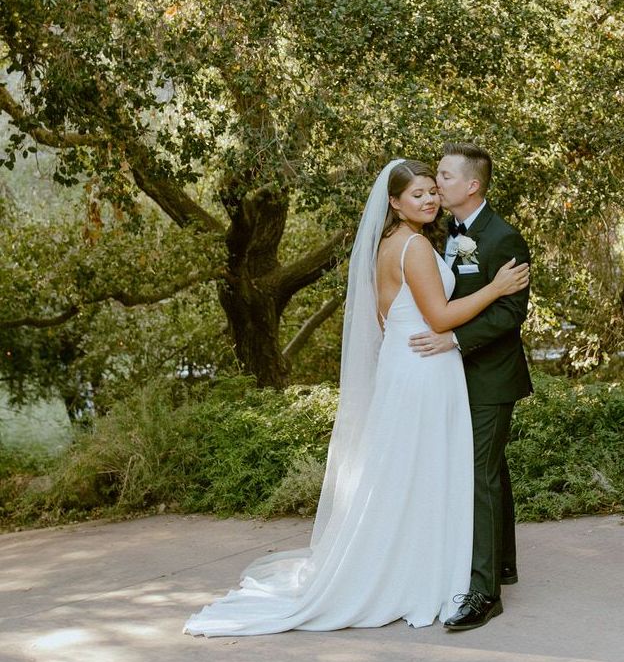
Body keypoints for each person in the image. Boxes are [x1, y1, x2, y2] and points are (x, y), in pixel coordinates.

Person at [183, 158, 528, 636]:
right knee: (424, 471)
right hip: (426, 365)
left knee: (414, 472)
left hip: (410, 363)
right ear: (393, 202)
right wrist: (494, 288)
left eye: (435, 188)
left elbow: (392, 315)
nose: (431, 198)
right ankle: (426, 574)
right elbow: (441, 318)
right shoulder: (415, 247)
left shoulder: (397, 242)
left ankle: (458, 567)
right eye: (420, 193)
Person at [409, 143, 532, 631]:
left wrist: (454, 340)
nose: (436, 183)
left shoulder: (503, 238)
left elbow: (510, 313)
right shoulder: (442, 233)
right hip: (455, 375)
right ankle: (503, 563)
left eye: (443, 176)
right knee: (491, 467)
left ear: (472, 185)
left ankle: (483, 594)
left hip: (492, 375)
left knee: (478, 473)